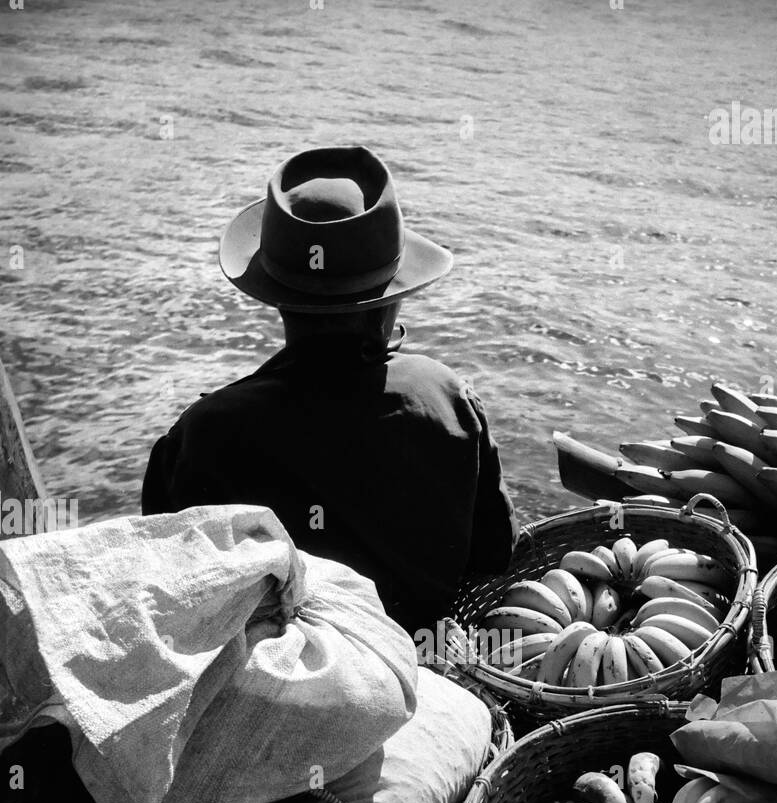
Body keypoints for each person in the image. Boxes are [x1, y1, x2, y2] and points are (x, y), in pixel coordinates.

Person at [142, 145, 518, 638]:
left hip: (267, 685)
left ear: (277, 302)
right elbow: (494, 553)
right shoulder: (448, 399)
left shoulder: (203, 433)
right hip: (422, 665)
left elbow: (169, 587)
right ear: (392, 302)